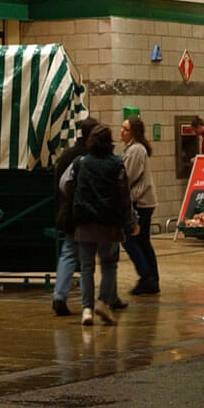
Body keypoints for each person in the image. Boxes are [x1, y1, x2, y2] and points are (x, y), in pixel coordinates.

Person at [62, 124, 135, 325]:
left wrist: (76, 197)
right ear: (109, 142)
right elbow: (124, 195)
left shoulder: (80, 162)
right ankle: (103, 301)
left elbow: (65, 183)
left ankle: (87, 309)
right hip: (110, 223)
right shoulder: (117, 163)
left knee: (86, 267)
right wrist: (131, 220)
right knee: (109, 265)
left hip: (85, 221)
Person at [50, 117, 99, 316]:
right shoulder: (93, 157)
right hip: (87, 214)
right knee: (88, 259)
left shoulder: (67, 154)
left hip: (68, 212)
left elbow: (58, 186)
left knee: (68, 252)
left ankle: (59, 295)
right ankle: (91, 303)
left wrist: (62, 208)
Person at [120, 116, 160, 295]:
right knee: (143, 241)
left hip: (140, 202)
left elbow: (128, 177)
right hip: (145, 200)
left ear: (134, 133)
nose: (122, 132)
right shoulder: (135, 149)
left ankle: (146, 277)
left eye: (126, 129)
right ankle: (152, 278)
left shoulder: (135, 150)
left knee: (130, 239)